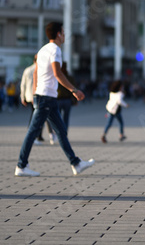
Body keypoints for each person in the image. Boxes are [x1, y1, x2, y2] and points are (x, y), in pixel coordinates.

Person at [15, 22, 94, 177]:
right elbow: (58, 74)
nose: (64, 35)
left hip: (45, 96)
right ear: (58, 34)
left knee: (61, 131)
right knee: (33, 131)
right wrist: (74, 90)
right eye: (63, 32)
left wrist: (35, 94)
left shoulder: (42, 50)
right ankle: (21, 165)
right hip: (46, 98)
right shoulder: (55, 50)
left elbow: (36, 73)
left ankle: (76, 163)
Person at [20, 55, 46, 145]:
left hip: (29, 96)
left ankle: (33, 135)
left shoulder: (27, 70)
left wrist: (22, 97)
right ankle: (36, 135)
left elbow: (23, 84)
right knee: (39, 116)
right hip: (39, 95)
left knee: (34, 116)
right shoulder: (41, 69)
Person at [57, 62, 76, 130]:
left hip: (58, 99)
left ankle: (60, 132)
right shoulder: (69, 77)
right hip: (67, 100)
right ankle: (64, 132)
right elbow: (74, 88)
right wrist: (75, 99)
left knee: (57, 118)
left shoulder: (57, 77)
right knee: (66, 118)